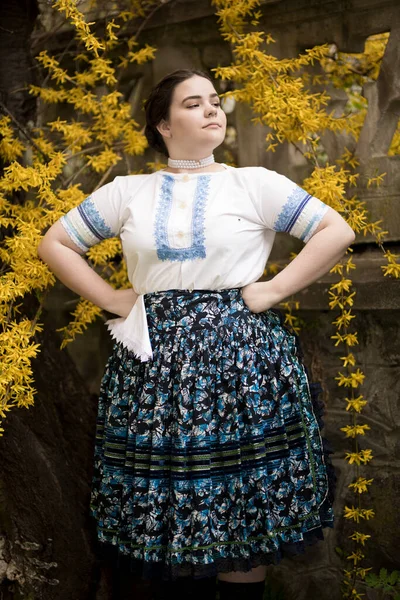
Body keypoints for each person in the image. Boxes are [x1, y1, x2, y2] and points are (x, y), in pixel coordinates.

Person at [37, 68, 355, 600]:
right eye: (193, 103)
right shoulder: (128, 193)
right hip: (153, 362)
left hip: (241, 360)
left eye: (215, 100)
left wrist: (273, 290)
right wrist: (114, 298)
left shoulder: (253, 182)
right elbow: (54, 244)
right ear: (163, 123)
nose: (212, 110)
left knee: (239, 497)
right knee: (166, 499)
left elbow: (336, 230)